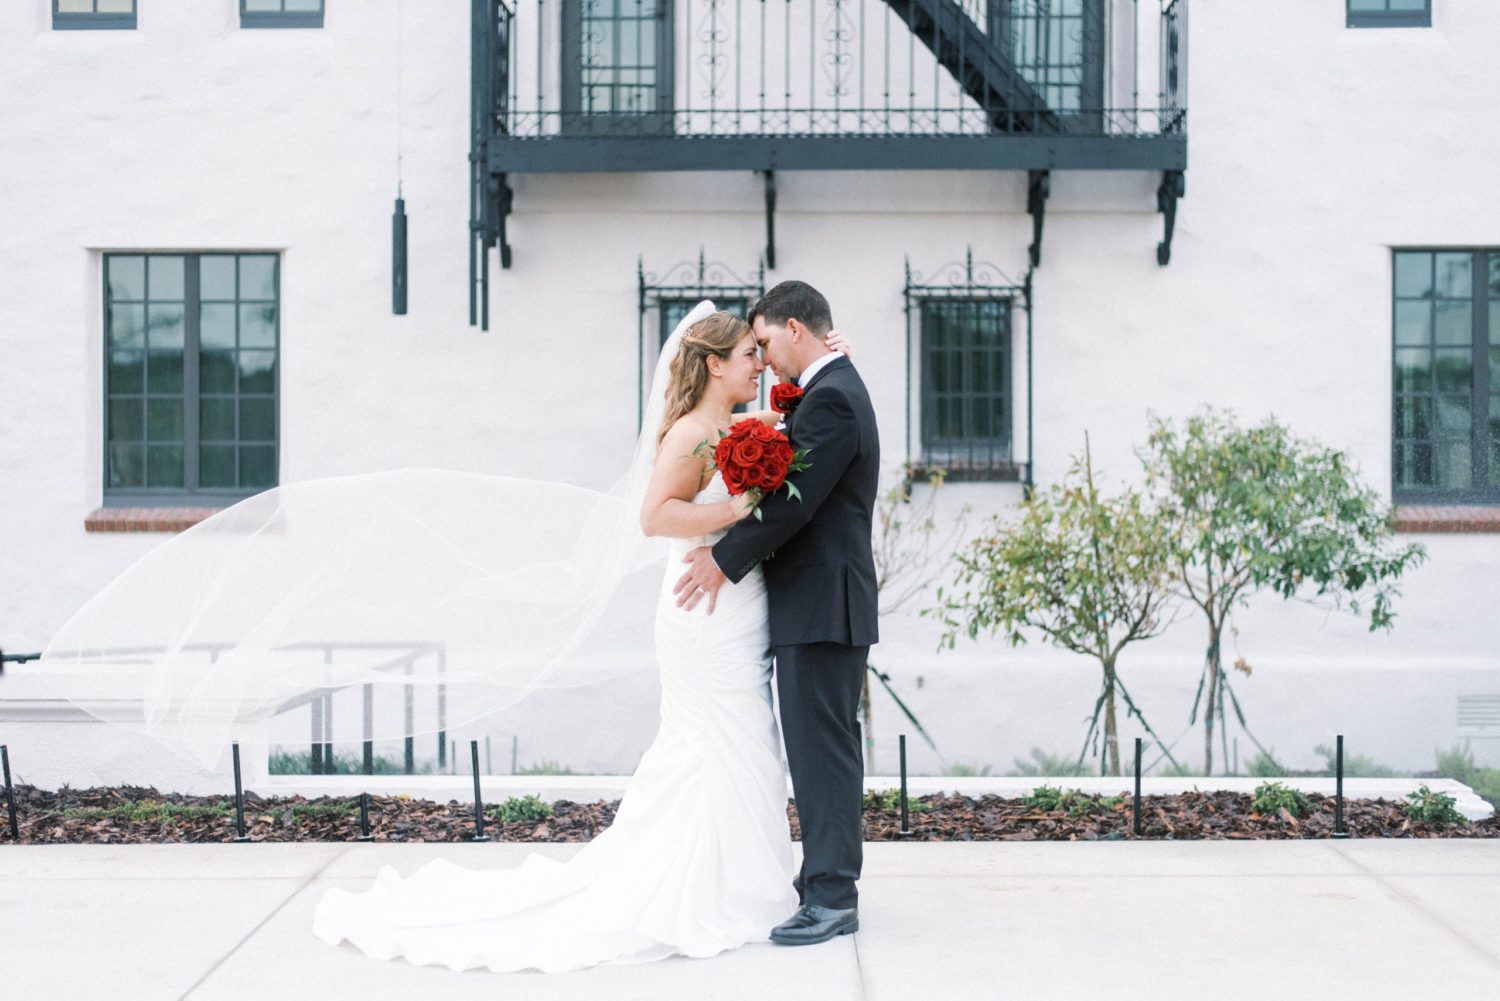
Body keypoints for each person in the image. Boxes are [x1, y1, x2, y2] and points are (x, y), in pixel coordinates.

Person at [312, 301, 866, 971]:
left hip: (742, 601)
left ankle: (743, 879)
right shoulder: (692, 432)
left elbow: (810, 424)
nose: (762, 362)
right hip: (704, 602)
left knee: (747, 738)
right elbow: (655, 514)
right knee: (709, 738)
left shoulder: (743, 424)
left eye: (766, 349)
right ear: (716, 364)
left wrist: (830, 359)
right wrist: (736, 511)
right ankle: (698, 884)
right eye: (751, 354)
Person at [674, 280, 880, 946]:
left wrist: (723, 558)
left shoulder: (835, 401)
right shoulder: (830, 391)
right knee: (821, 750)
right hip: (815, 603)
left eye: (764, 342)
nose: (763, 360)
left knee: (823, 755)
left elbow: (794, 503)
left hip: (823, 605)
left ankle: (830, 896)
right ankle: (823, 885)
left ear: (796, 328)